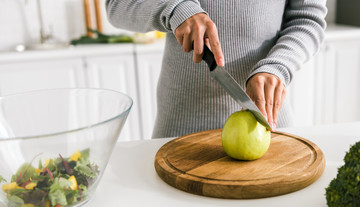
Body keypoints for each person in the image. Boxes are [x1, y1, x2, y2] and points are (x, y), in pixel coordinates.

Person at [106, 0, 327, 138]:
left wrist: (278, 66)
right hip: (179, 128)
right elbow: (117, 4)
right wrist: (175, 7)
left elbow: (308, 20)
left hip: (267, 126)